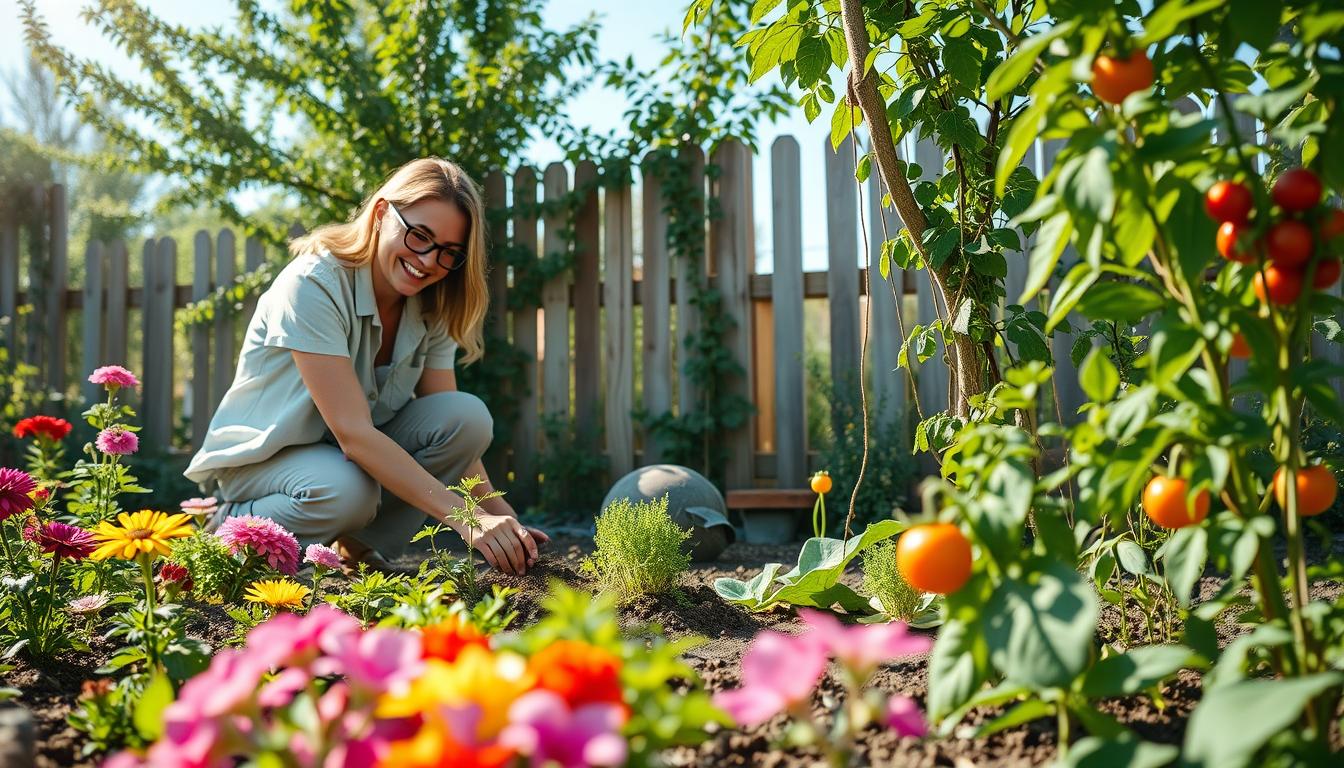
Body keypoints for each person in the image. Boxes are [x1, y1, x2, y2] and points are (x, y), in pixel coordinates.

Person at [184, 157, 545, 575]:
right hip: (266, 463)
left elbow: (457, 438)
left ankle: (356, 548)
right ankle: (227, 531)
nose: (428, 261)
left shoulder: (434, 303)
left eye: (448, 253)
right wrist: (469, 521)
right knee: (345, 491)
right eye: (419, 236)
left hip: (339, 464)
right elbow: (354, 434)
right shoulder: (314, 283)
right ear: (380, 214)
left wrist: (509, 526)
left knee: (466, 417)